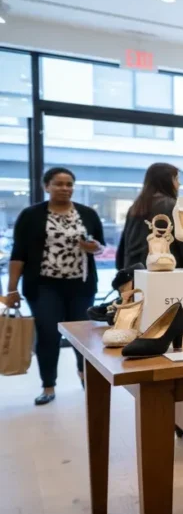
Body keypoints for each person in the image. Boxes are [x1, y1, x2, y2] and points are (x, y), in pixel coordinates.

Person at [4, 167, 105, 405]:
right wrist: (11, 289)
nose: (65, 188)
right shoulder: (31, 215)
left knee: (83, 336)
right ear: (46, 186)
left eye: (69, 184)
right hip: (43, 286)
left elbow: (99, 246)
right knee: (48, 334)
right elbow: (18, 255)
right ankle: (48, 385)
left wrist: (94, 248)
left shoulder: (87, 213)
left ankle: (84, 376)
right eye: (59, 184)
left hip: (81, 285)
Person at [120, 163, 183, 269]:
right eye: (176, 179)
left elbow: (123, 247)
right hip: (166, 272)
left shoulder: (135, 208)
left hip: (136, 273)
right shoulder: (173, 207)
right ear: (167, 181)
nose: (179, 183)